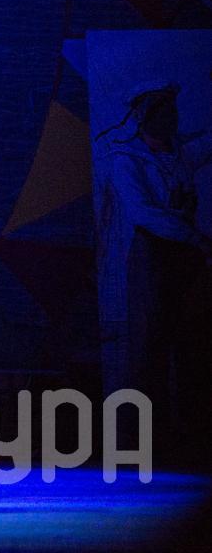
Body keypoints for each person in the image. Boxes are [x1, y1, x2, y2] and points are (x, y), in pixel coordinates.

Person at [93, 82, 212, 462]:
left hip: (186, 259)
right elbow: (143, 212)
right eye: (163, 112)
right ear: (146, 118)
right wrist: (191, 235)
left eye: (173, 111)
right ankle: (145, 438)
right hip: (153, 257)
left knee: (192, 343)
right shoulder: (128, 160)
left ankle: (192, 432)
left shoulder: (180, 153)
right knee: (149, 348)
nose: (171, 119)